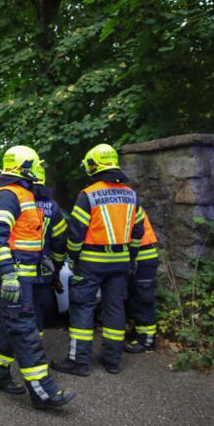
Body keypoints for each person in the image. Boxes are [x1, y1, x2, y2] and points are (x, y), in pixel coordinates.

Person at [0, 145, 76, 410]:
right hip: (12, 277)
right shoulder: (8, 195)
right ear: (24, 167)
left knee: (7, 324)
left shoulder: (21, 194)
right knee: (25, 329)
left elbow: (26, 238)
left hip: (22, 273)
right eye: (36, 164)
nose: (39, 169)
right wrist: (9, 275)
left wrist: (43, 259)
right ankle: (43, 392)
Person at [51, 143, 144, 376]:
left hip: (91, 263)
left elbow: (76, 233)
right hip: (121, 262)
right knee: (114, 308)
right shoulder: (131, 195)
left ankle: (78, 362)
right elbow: (138, 231)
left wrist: (72, 258)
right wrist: (131, 258)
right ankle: (112, 360)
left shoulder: (88, 195)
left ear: (94, 166)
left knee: (83, 308)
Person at [31, 161, 68, 338]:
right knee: (39, 308)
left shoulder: (16, 201)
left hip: (19, 269)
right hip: (44, 270)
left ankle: (20, 348)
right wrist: (57, 269)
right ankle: (35, 347)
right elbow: (60, 242)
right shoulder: (52, 207)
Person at [125, 208, 159, 353]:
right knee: (134, 298)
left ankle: (147, 340)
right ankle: (139, 333)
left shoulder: (126, 204)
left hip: (143, 257)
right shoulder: (128, 201)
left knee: (143, 299)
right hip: (139, 256)